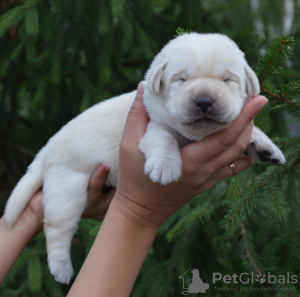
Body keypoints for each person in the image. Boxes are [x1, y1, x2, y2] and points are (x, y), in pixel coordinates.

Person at [0, 83, 268, 296]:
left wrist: (32, 214)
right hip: (71, 157)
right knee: (64, 198)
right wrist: (140, 210)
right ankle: (56, 250)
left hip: (76, 162)